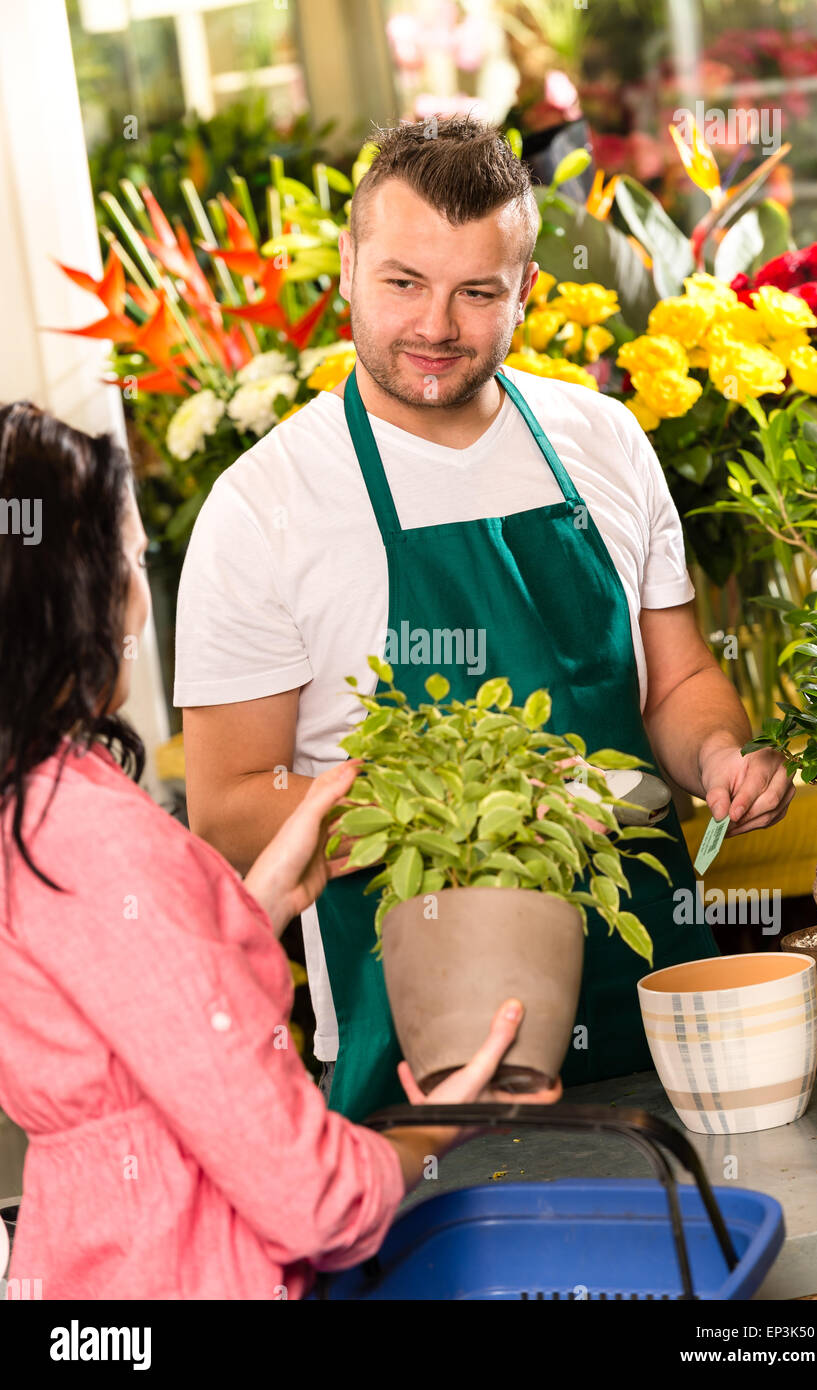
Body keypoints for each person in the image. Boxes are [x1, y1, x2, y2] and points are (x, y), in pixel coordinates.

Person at [175, 115, 794, 1125]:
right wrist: (474, 800)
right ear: (347, 270)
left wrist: (722, 752)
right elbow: (229, 803)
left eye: (476, 292)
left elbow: (676, 683)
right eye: (403, 283)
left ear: (526, 292)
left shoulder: (601, 439)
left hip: (651, 985)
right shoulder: (266, 505)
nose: (435, 326)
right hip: (426, 1038)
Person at [0, 401, 559, 1301]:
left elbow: (120, 1014)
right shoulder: (90, 835)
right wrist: (443, 1126)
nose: (142, 592)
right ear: (75, 598)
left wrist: (247, 909)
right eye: (132, 561)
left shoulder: (29, 803)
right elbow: (311, 1199)